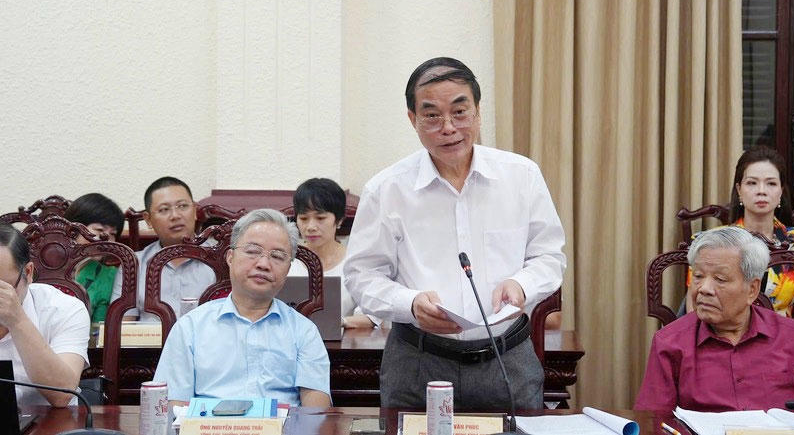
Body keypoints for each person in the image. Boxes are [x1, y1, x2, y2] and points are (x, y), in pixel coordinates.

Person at [343, 57, 566, 409]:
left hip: (506, 357)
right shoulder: (386, 190)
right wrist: (409, 303)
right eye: (432, 116)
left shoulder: (521, 176)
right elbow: (362, 276)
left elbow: (549, 257)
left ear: (477, 113)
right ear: (413, 120)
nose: (448, 128)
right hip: (418, 361)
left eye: (460, 112)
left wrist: (521, 284)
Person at [635, 226, 794, 412]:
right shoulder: (669, 342)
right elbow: (653, 420)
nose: (704, 289)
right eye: (698, 276)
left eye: (720, 279)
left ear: (752, 289)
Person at [153, 208, 331, 407]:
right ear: (230, 257)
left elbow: (317, 412)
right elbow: (173, 404)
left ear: (288, 269)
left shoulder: (304, 331)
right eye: (253, 251)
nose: (263, 264)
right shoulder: (190, 327)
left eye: (278, 256)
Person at [686, 146, 794, 317]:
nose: (761, 191)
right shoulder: (707, 243)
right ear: (739, 190)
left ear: (781, 191)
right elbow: (695, 311)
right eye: (752, 183)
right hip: (721, 332)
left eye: (771, 183)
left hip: (784, 333)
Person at [0, 224, 90, 407]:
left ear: (28, 273)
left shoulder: (64, 309)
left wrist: (17, 320)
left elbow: (62, 394)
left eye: (3, 289)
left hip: (49, 419)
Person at [110, 176, 215, 321]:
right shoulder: (133, 265)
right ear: (148, 219)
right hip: (151, 336)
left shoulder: (221, 257)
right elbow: (123, 326)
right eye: (164, 209)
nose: (175, 216)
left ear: (195, 211)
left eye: (182, 206)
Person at [290, 178, 375, 328]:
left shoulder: (356, 262)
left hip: (342, 340)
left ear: (339, 220)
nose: (310, 227)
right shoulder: (287, 261)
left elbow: (372, 317)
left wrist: (338, 323)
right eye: (303, 218)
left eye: (320, 218)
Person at [66, 193, 125, 323]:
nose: (106, 239)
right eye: (99, 230)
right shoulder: (44, 264)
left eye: (113, 234)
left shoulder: (111, 276)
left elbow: (99, 329)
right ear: (74, 229)